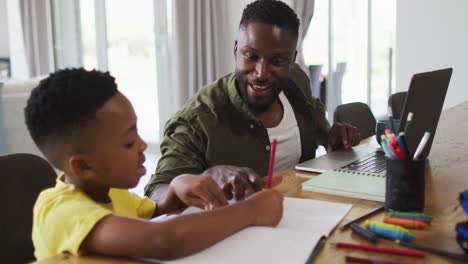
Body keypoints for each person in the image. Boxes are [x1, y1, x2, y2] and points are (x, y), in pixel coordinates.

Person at [25, 68, 283, 261]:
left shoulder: (109, 190)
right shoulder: (60, 210)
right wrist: (251, 211)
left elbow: (156, 212)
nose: (142, 146)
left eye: (137, 131)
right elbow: (162, 240)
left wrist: (177, 189)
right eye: (128, 143)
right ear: (83, 167)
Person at [145, 0, 361, 202]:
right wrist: (205, 177)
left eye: (277, 61)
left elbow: (312, 114)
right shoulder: (197, 118)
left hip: (303, 215)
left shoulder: (296, 81)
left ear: (292, 61)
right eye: (251, 56)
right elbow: (156, 194)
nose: (261, 73)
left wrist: (329, 133)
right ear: (236, 50)